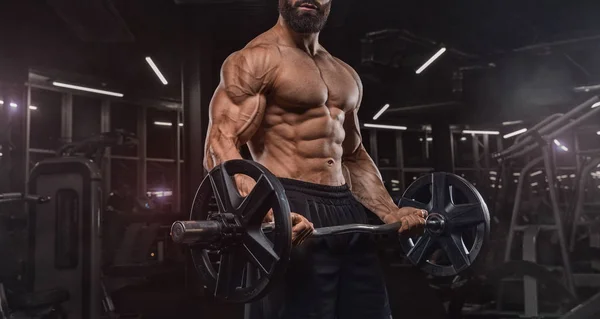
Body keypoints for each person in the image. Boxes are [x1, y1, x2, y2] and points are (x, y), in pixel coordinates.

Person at [204, 0, 428, 318]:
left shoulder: (344, 73)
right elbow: (220, 144)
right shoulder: (256, 59)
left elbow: (352, 155)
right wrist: (267, 214)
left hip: (348, 211)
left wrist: (390, 211)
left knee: (370, 311)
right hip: (289, 204)